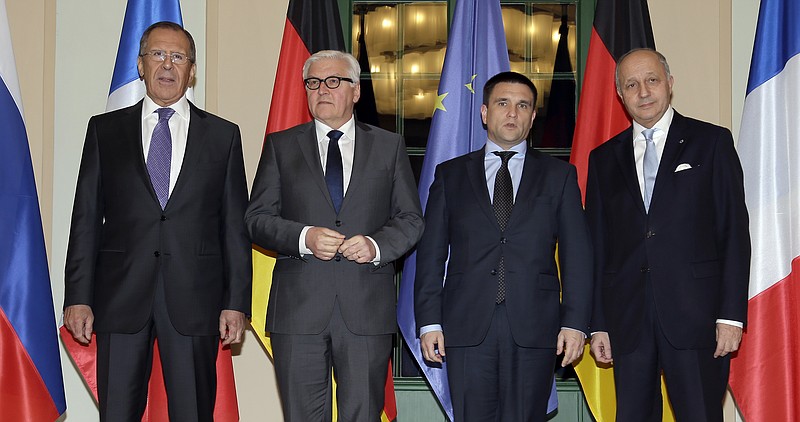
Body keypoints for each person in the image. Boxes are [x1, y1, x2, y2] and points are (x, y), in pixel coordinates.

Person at [63, 21, 251, 421]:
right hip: (120, 296)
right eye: (158, 55)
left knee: (193, 412)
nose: (167, 65)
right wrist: (78, 295)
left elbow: (235, 226)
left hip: (195, 299)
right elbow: (85, 219)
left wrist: (236, 303)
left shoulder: (223, 136)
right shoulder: (104, 130)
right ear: (141, 63)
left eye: (178, 56)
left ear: (192, 69)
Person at [245, 50, 424, 422]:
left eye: (333, 81)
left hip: (365, 309)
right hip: (298, 311)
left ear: (356, 91)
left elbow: (410, 219)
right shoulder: (281, 145)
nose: (321, 90)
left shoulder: (389, 146)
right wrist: (304, 237)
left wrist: (376, 245)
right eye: (313, 83)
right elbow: (257, 218)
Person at [414, 71, 593, 421]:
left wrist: (575, 323)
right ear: (485, 113)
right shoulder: (450, 175)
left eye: (522, 105)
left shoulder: (560, 177)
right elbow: (431, 254)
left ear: (532, 117)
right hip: (466, 327)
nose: (512, 113)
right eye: (503, 103)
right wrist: (428, 321)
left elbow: (578, 257)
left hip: (534, 328)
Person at [585, 48, 751, 421]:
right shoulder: (603, 159)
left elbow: (734, 233)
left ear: (669, 84)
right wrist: (597, 324)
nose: (643, 91)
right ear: (620, 95)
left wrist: (731, 315)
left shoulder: (712, 142)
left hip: (697, 317)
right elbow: (597, 246)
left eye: (652, 80)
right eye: (631, 84)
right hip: (626, 321)